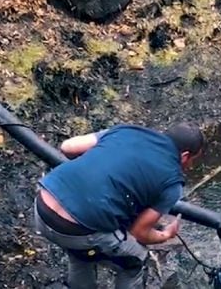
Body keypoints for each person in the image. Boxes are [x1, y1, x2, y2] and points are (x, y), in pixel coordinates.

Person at [33, 123, 204, 289]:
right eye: (193, 161)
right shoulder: (172, 183)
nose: (191, 166)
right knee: (135, 260)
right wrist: (165, 234)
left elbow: (68, 146)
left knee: (80, 253)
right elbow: (139, 232)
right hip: (78, 230)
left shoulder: (127, 130)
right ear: (185, 156)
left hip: (42, 206)